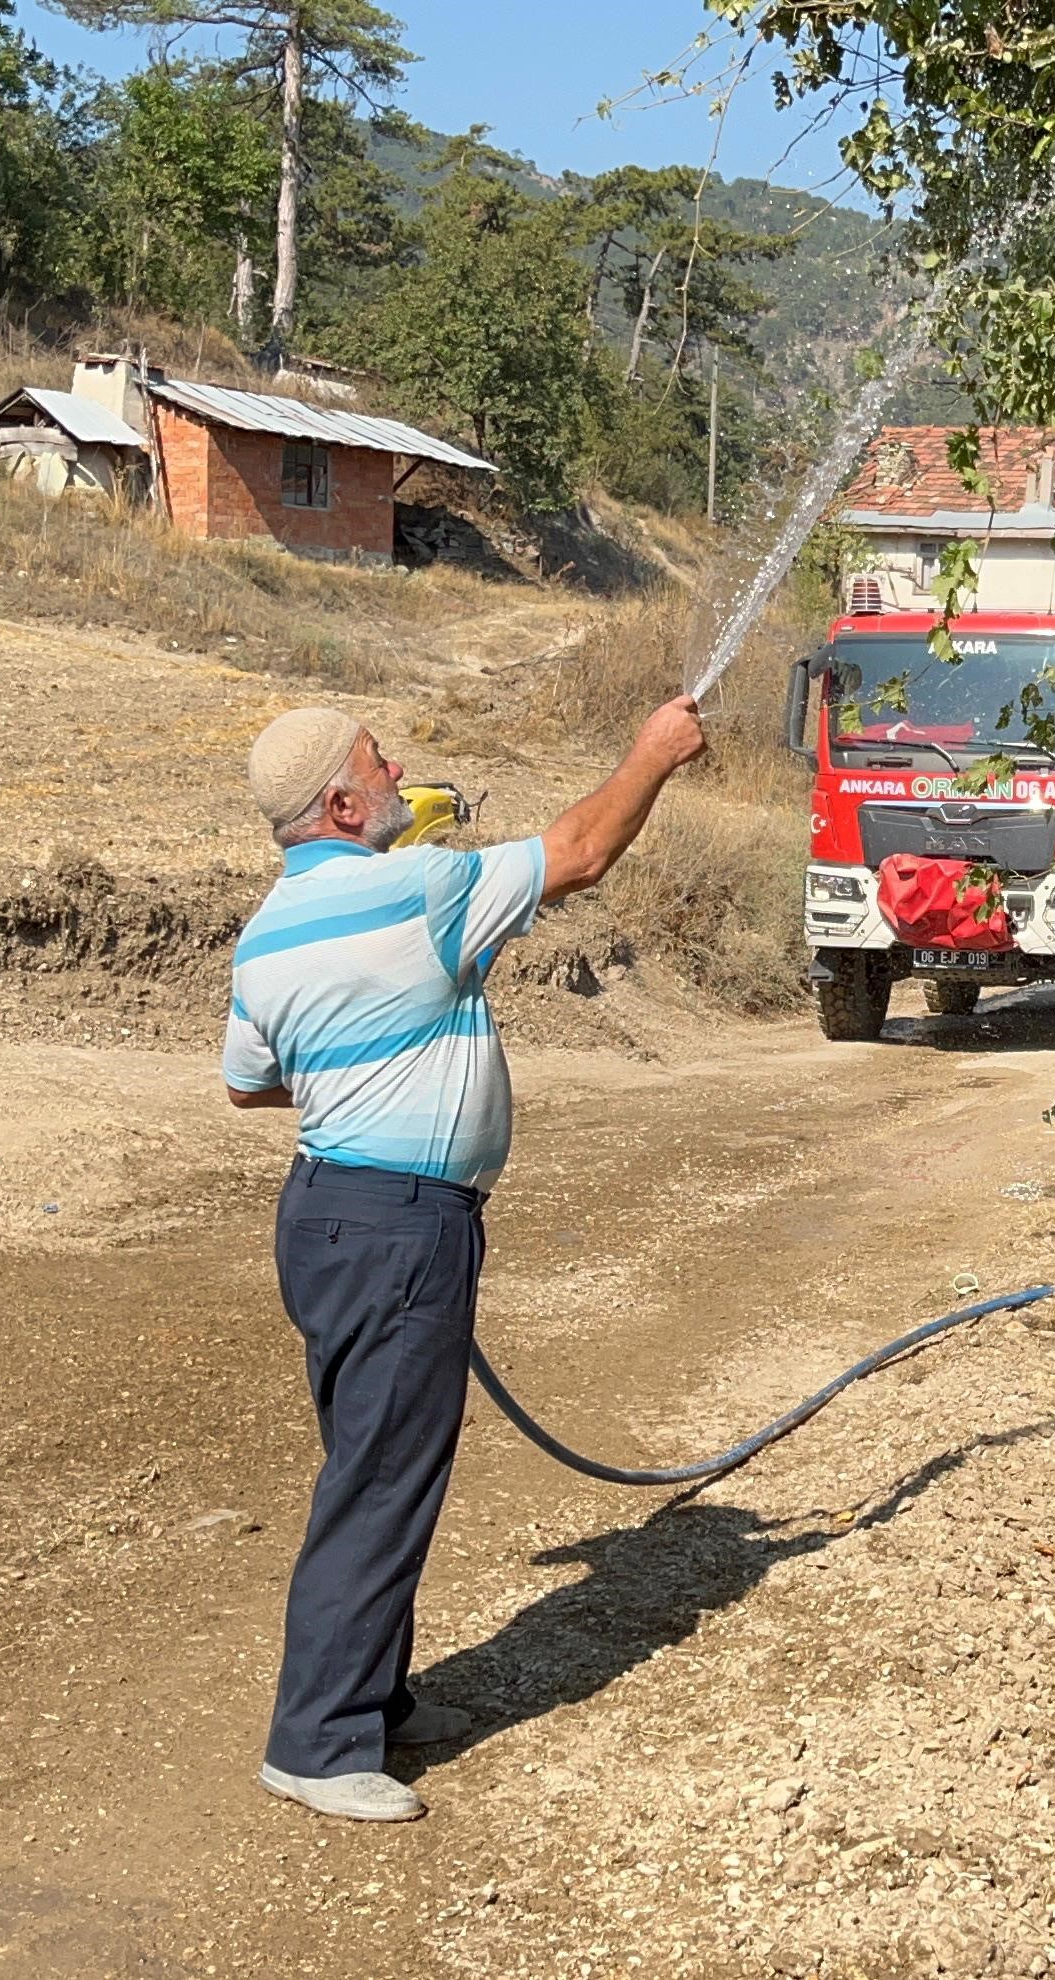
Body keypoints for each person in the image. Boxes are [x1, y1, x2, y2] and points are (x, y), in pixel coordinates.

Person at [224, 693, 707, 1822]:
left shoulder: (268, 930)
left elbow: (249, 1081)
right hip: (397, 1224)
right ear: (340, 803)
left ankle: (375, 1702)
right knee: (382, 1476)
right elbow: (582, 852)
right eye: (374, 760)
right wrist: (653, 751)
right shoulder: (415, 889)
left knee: (373, 1456)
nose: (398, 766)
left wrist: (369, 1058)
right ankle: (319, 1742)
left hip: (331, 1216)